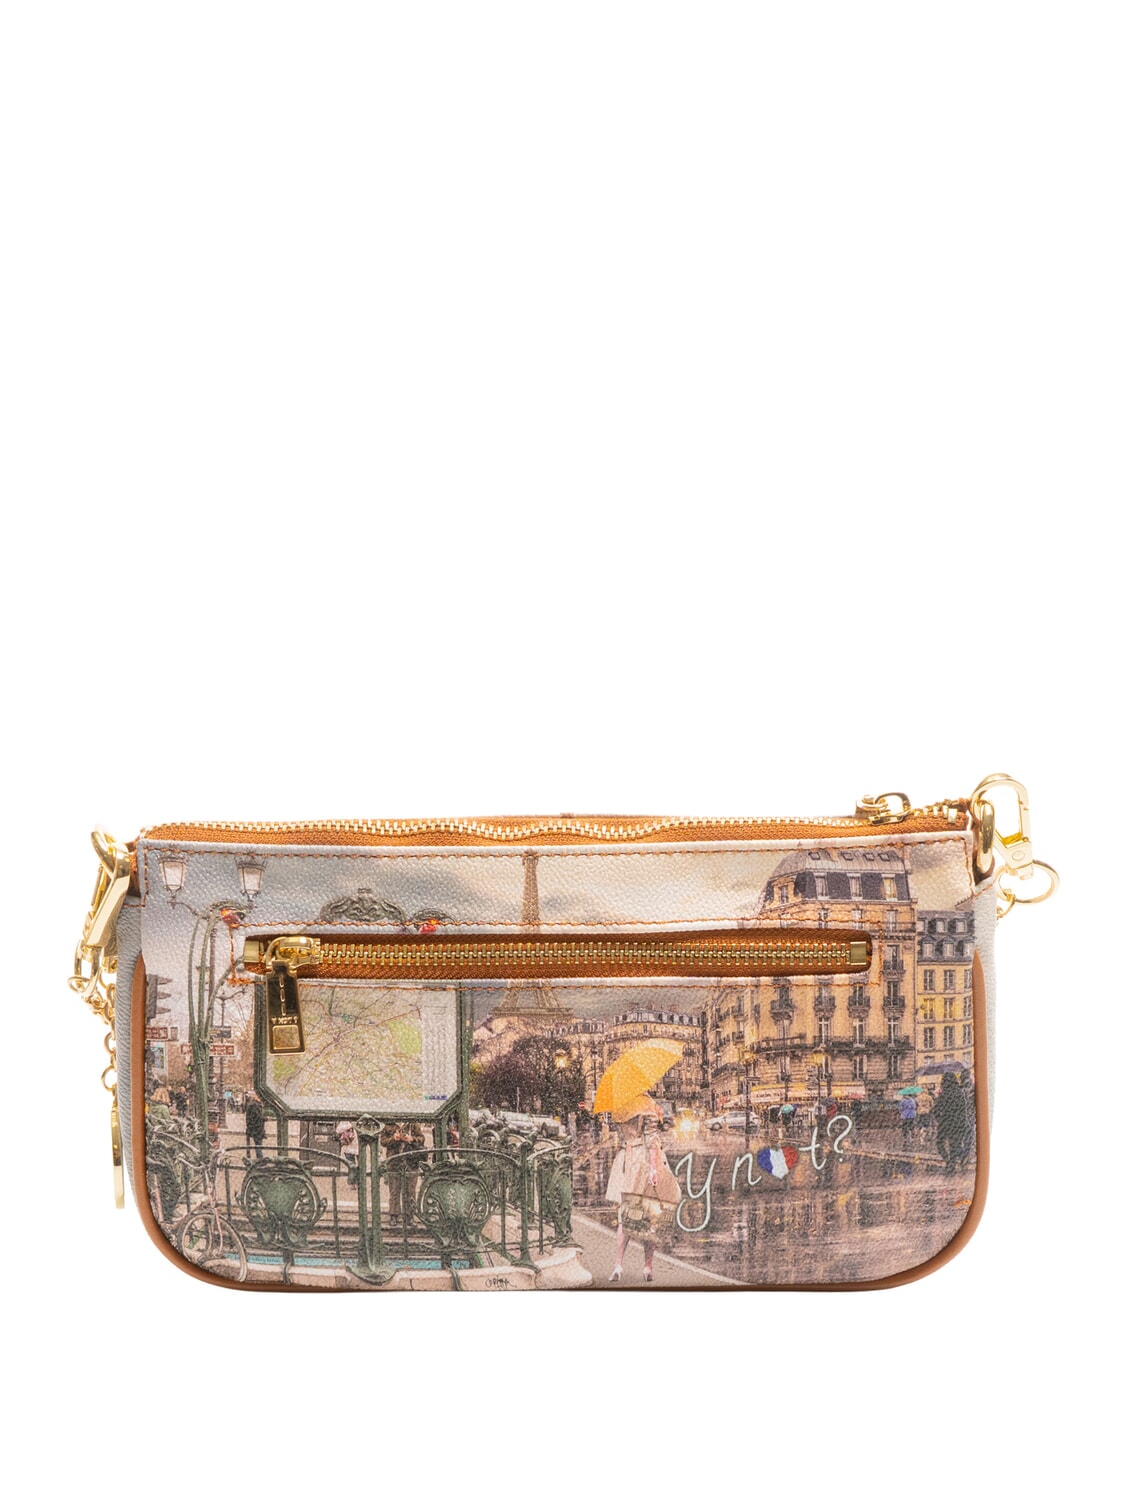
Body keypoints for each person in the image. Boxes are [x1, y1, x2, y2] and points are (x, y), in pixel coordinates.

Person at [604, 1097, 681, 1284]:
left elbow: (620, 1131)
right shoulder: (646, 1104)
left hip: (626, 1158)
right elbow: (652, 1141)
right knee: (650, 1214)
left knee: (625, 1214)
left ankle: (618, 1265)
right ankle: (647, 1267)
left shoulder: (620, 1105)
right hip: (643, 1160)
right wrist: (654, 1168)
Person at [934, 1073, 966, 1173]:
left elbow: (936, 1110)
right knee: (954, 1145)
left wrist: (940, 1119)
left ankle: (949, 1162)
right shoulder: (960, 1093)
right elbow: (963, 1108)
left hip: (945, 1121)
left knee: (940, 1143)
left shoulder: (943, 1094)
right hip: (958, 1122)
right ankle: (959, 1158)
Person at [245, 1090, 266, 1161]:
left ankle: (258, 1159)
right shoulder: (255, 1105)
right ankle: (260, 1160)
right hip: (257, 1129)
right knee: (258, 1146)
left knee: (257, 1145)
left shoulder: (253, 1105)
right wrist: (264, 1118)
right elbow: (258, 1117)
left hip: (254, 1129)